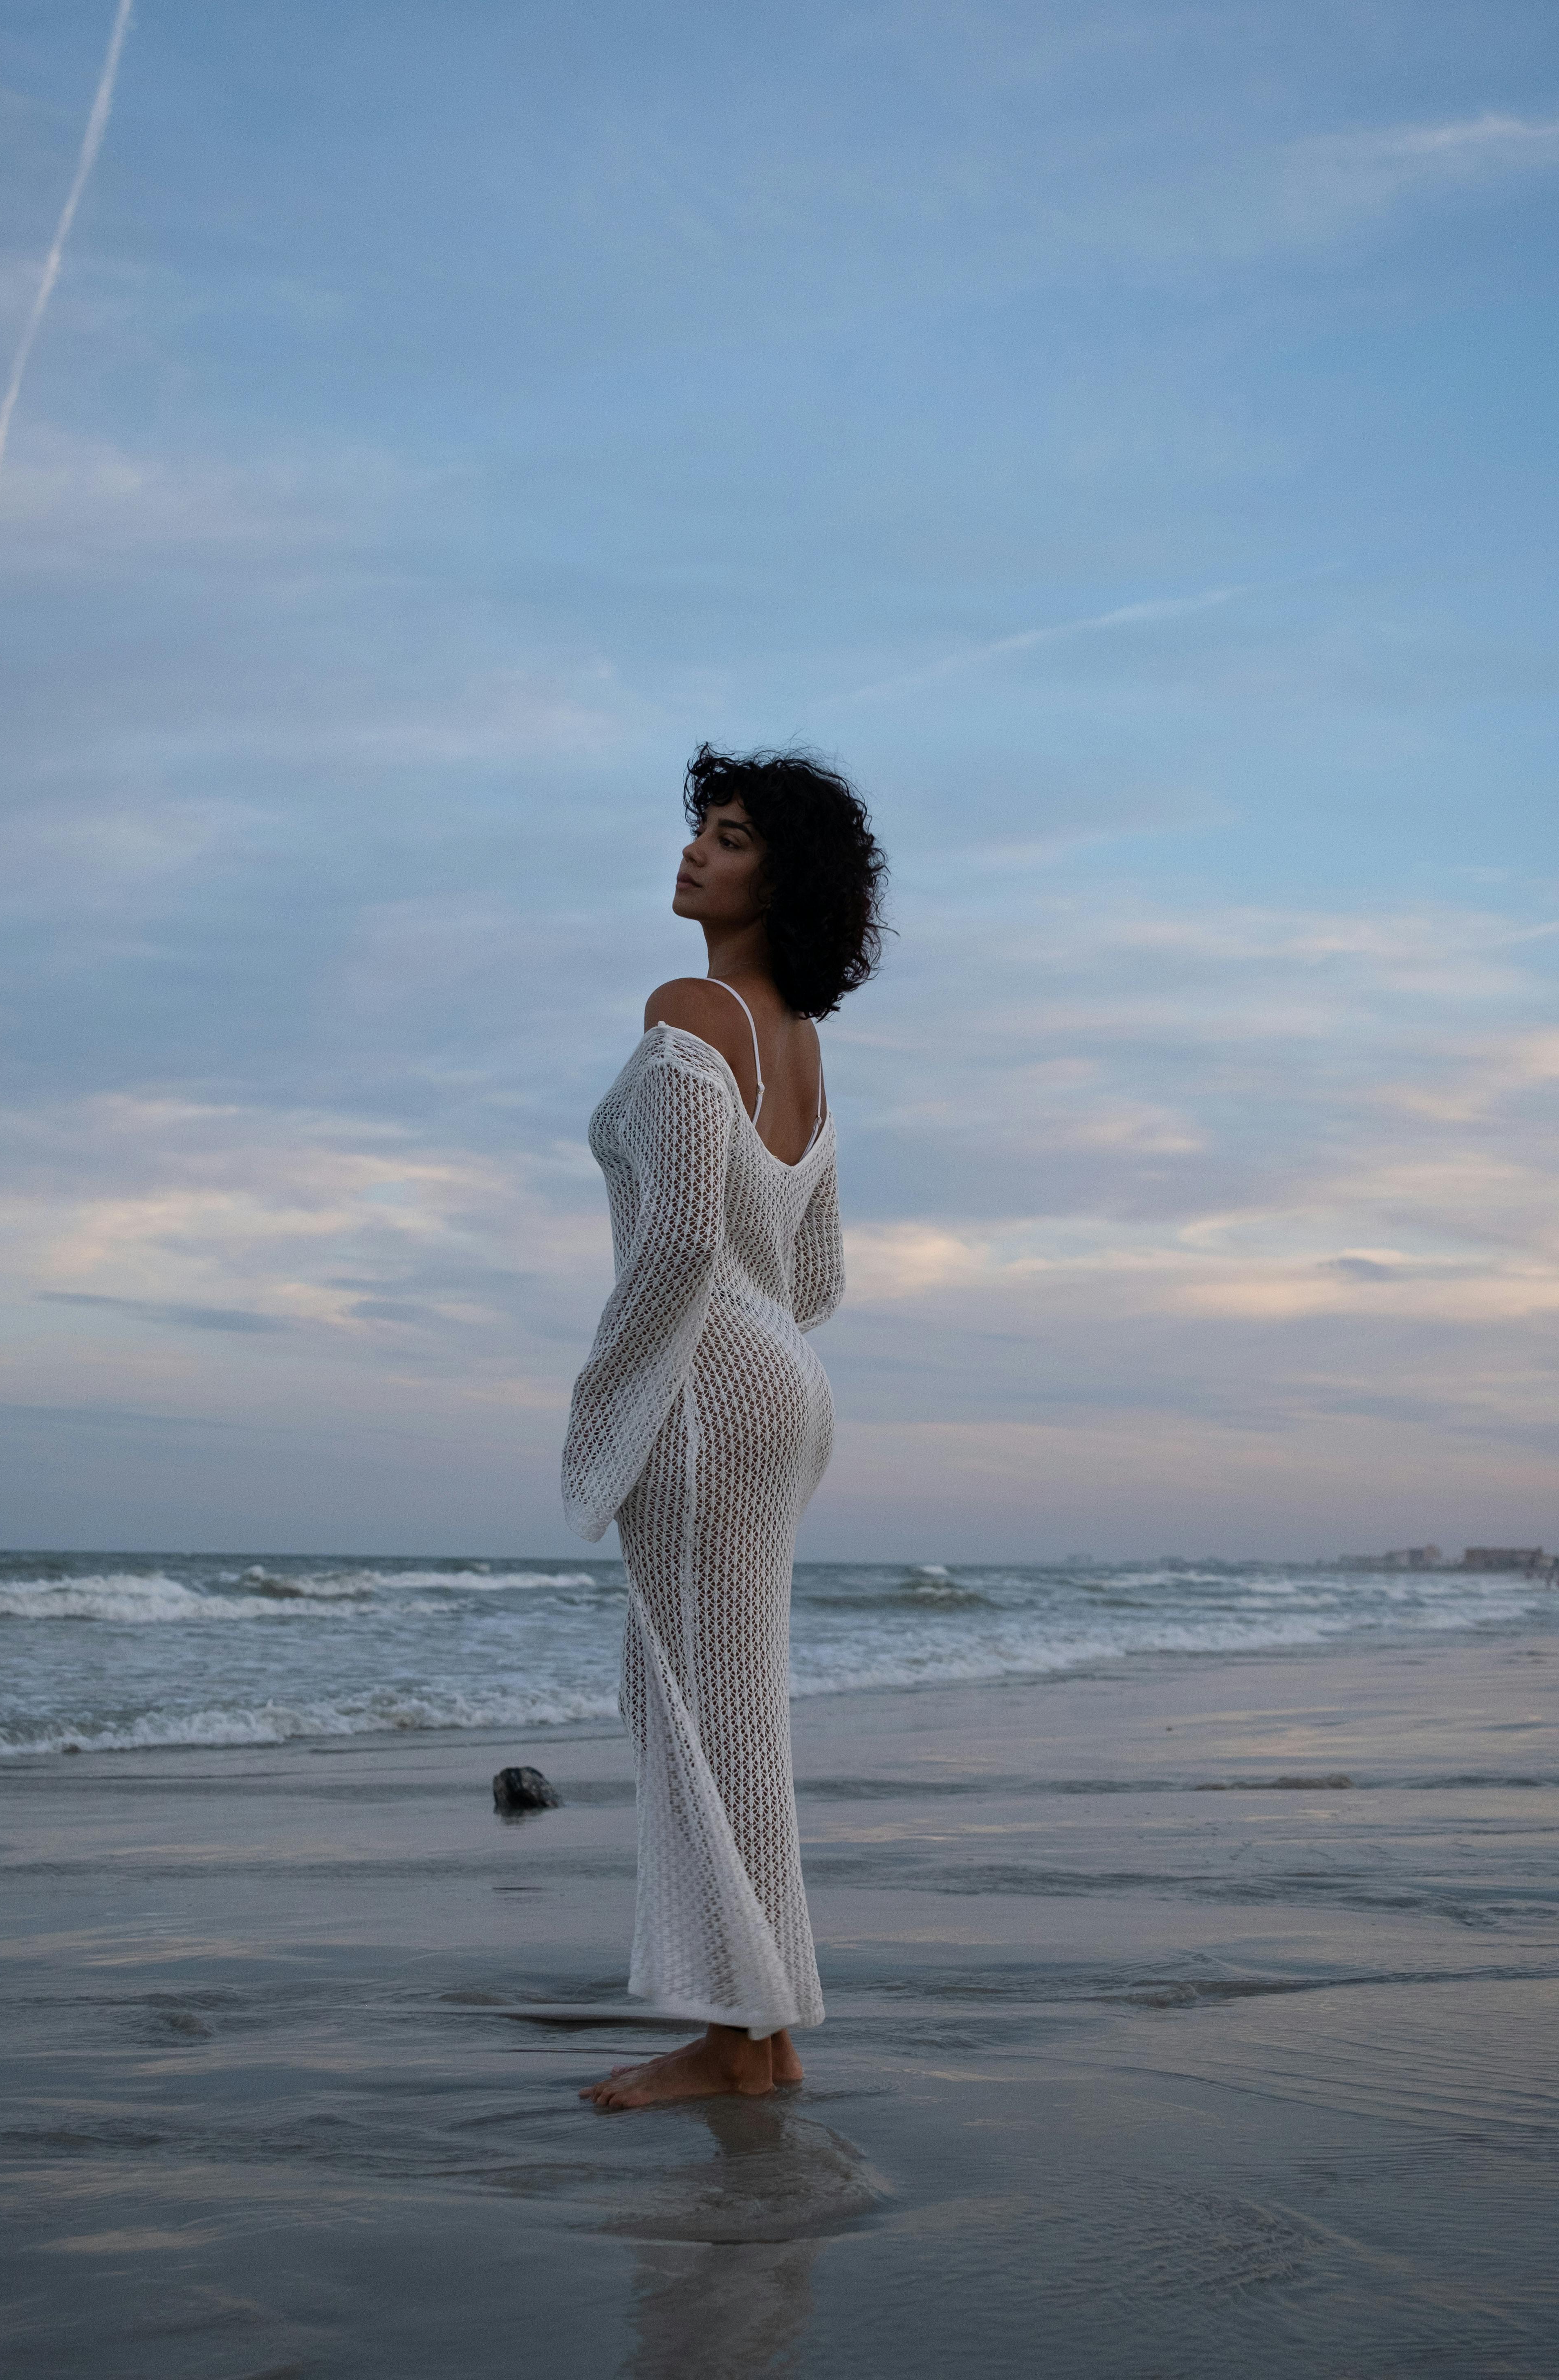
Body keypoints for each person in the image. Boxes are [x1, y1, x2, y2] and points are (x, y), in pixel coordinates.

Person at [562, 744, 887, 2109]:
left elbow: (690, 1232)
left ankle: (738, 2037)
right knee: (698, 1702)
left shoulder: (691, 1007)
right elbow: (813, 1278)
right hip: (782, 1389)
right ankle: (760, 2033)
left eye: (735, 837)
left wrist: (604, 1399)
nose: (699, 849)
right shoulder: (798, 1044)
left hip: (709, 1391)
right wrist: (748, 1349)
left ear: (782, 877)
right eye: (702, 825)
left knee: (708, 1712)